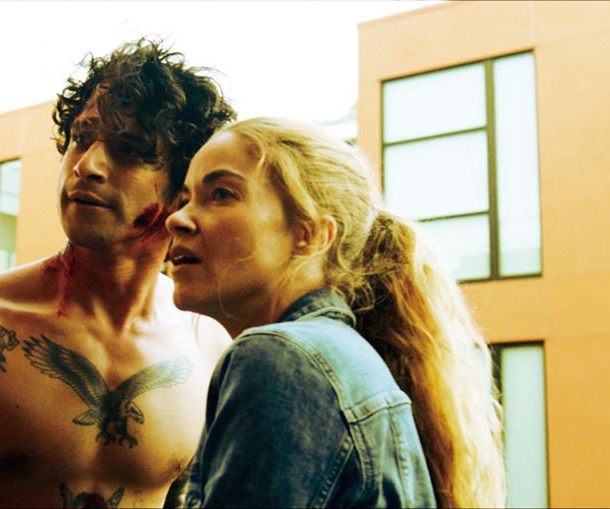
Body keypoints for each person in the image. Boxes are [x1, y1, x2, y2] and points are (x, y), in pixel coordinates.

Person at [0, 38, 236, 508]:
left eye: (129, 150)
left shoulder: (208, 345)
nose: (87, 166)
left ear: (182, 190)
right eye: (81, 138)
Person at [165, 117, 506, 508]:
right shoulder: (337, 358)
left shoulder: (280, 359)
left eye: (222, 194)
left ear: (310, 235)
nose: (177, 218)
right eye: (185, 199)